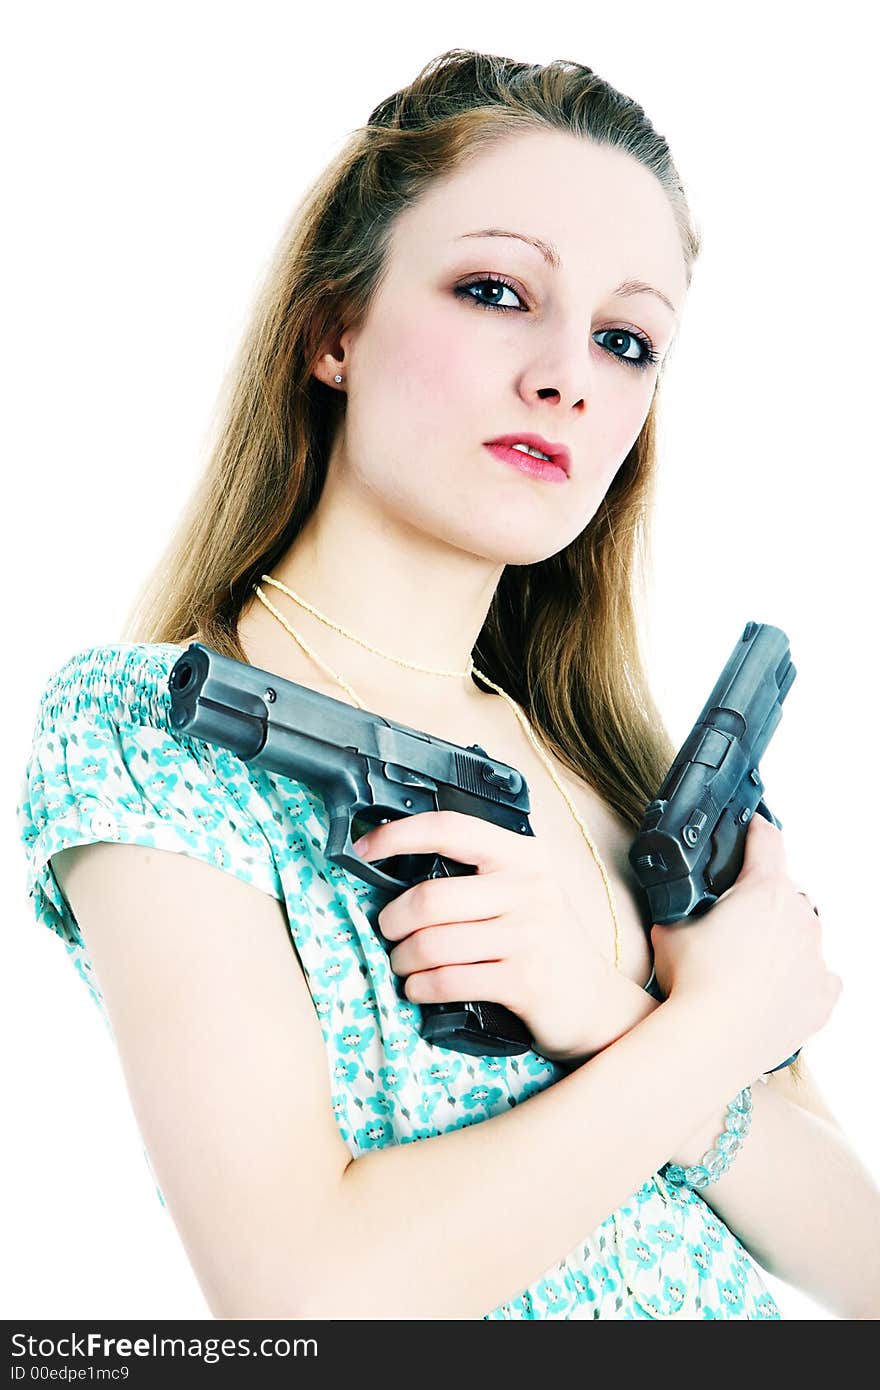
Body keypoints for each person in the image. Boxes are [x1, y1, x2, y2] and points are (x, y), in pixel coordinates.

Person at [16, 48, 878, 1321]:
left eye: (626, 339)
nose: (567, 375)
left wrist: (603, 1009)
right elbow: (304, 1299)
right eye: (494, 289)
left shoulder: (614, 772)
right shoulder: (156, 730)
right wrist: (703, 1032)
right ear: (332, 331)